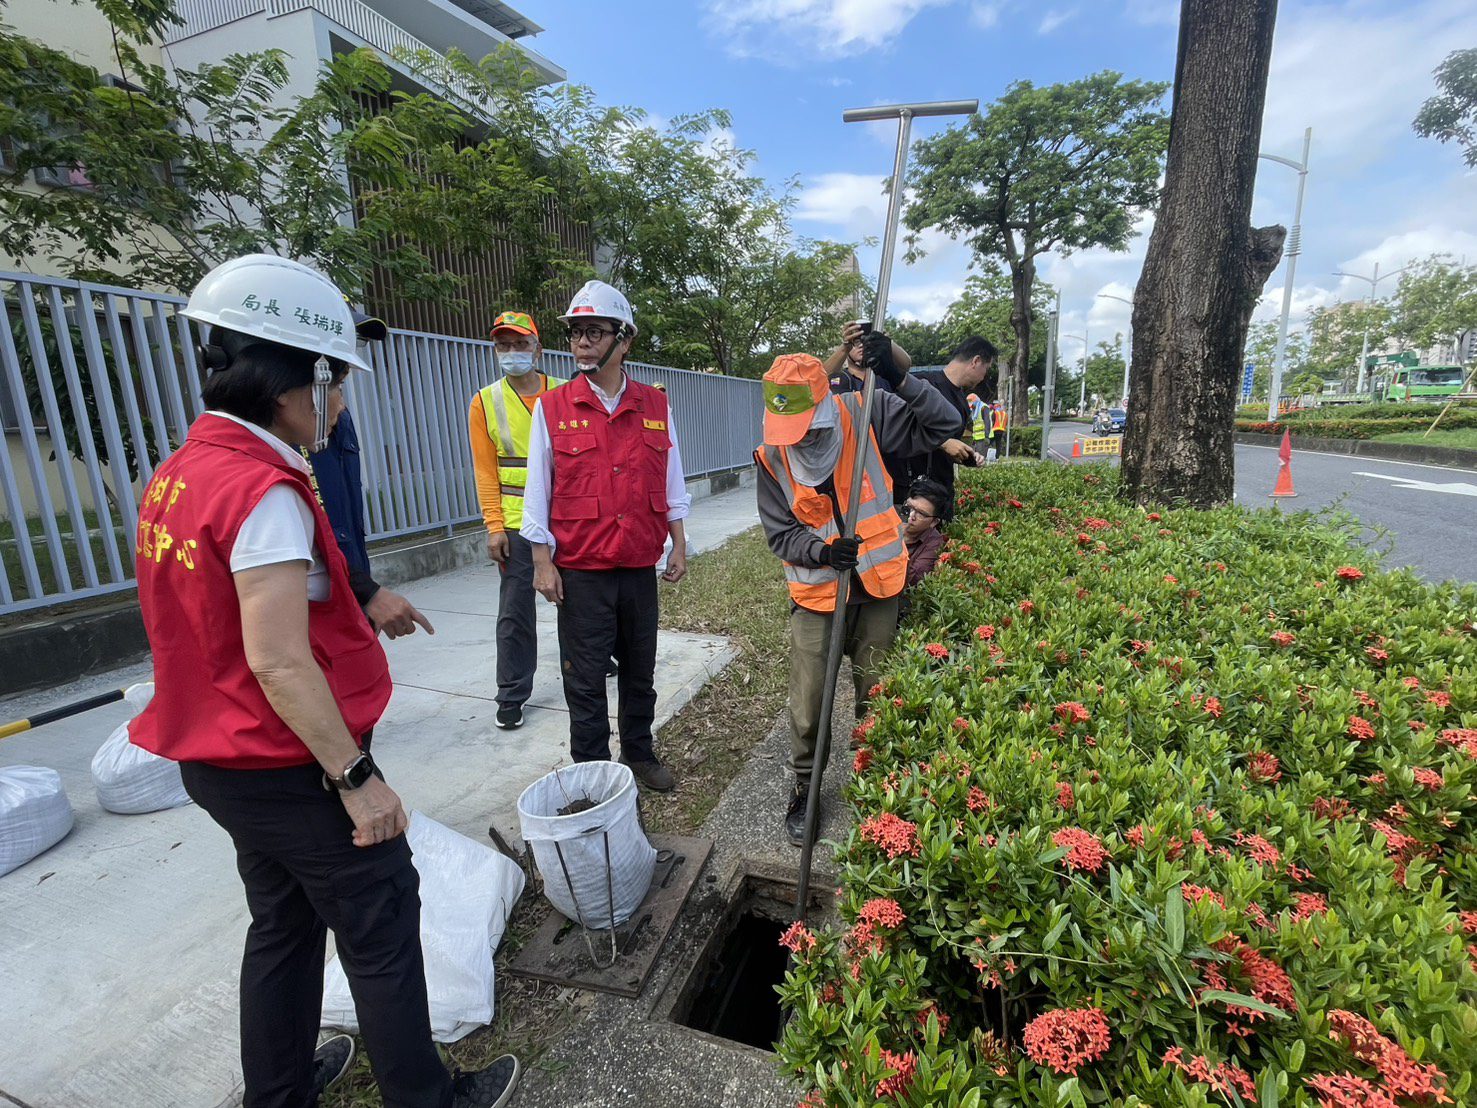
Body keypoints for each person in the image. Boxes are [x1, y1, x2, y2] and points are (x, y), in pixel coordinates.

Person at [129, 254, 519, 1108]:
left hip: (220, 762)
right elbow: (275, 657)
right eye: (336, 383)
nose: (341, 403)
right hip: (287, 764)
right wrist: (356, 778)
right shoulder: (262, 492)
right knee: (379, 924)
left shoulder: (181, 474)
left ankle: (278, 1090)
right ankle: (428, 1099)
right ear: (298, 378)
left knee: (283, 923)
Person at [755, 335, 957, 846]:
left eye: (805, 426)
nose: (796, 439)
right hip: (817, 595)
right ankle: (806, 787)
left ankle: (878, 782)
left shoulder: (864, 410)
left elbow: (942, 425)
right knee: (810, 703)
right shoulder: (771, 454)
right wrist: (820, 552)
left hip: (880, 587)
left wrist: (901, 375)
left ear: (824, 401)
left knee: (878, 693)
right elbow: (780, 532)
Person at [523, 280, 690, 792]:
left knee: (640, 670)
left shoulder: (654, 407)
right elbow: (538, 490)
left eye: (595, 332)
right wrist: (541, 561)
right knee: (586, 678)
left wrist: (678, 542)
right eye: (576, 333)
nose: (582, 343)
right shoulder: (552, 409)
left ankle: (639, 754)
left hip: (638, 564)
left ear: (625, 340)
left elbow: (672, 478)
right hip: (582, 569)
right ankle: (593, 770)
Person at [308, 310, 435, 642]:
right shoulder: (284, 439)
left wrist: (361, 589)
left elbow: (344, 521)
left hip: (349, 594)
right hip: (309, 614)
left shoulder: (339, 418)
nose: (346, 365)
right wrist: (366, 591)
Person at [468, 310, 561, 731]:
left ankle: (600, 657)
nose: (512, 352)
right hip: (515, 520)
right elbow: (485, 470)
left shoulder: (565, 391)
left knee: (584, 597)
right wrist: (492, 526)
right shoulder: (485, 401)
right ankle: (511, 694)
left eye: (520, 344)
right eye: (503, 345)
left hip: (568, 515)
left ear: (537, 349)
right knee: (516, 611)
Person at [897, 336, 999, 519]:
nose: (985, 376)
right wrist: (941, 443)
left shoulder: (962, 400)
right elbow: (896, 427)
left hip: (942, 492)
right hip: (914, 497)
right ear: (976, 361)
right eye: (987, 368)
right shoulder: (920, 384)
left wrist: (966, 454)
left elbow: (953, 444)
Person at [903, 477, 950, 593]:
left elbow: (912, 578)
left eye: (921, 514)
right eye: (909, 507)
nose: (911, 516)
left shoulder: (934, 544)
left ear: (934, 522)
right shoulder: (888, 516)